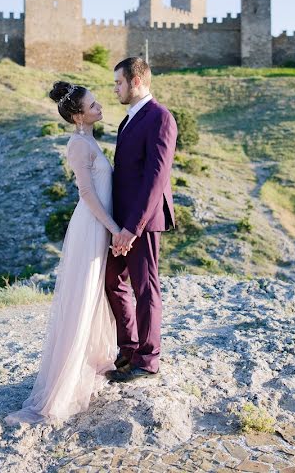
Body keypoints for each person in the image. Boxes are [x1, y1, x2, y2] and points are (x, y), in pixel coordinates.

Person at [5, 82, 119, 424]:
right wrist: (114, 228)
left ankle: (92, 365)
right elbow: (86, 193)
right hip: (92, 227)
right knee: (83, 298)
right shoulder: (77, 144)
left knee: (96, 296)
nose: (100, 107)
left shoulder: (90, 140)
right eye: (93, 104)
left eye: (97, 102)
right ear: (77, 115)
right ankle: (62, 389)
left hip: (100, 226)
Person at [105, 57, 178, 383]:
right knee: (111, 280)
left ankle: (147, 361)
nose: (115, 88)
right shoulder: (127, 121)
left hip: (143, 222)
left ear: (136, 81)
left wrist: (133, 228)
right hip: (121, 221)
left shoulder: (160, 118)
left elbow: (155, 179)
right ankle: (129, 348)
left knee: (146, 289)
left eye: (118, 82)